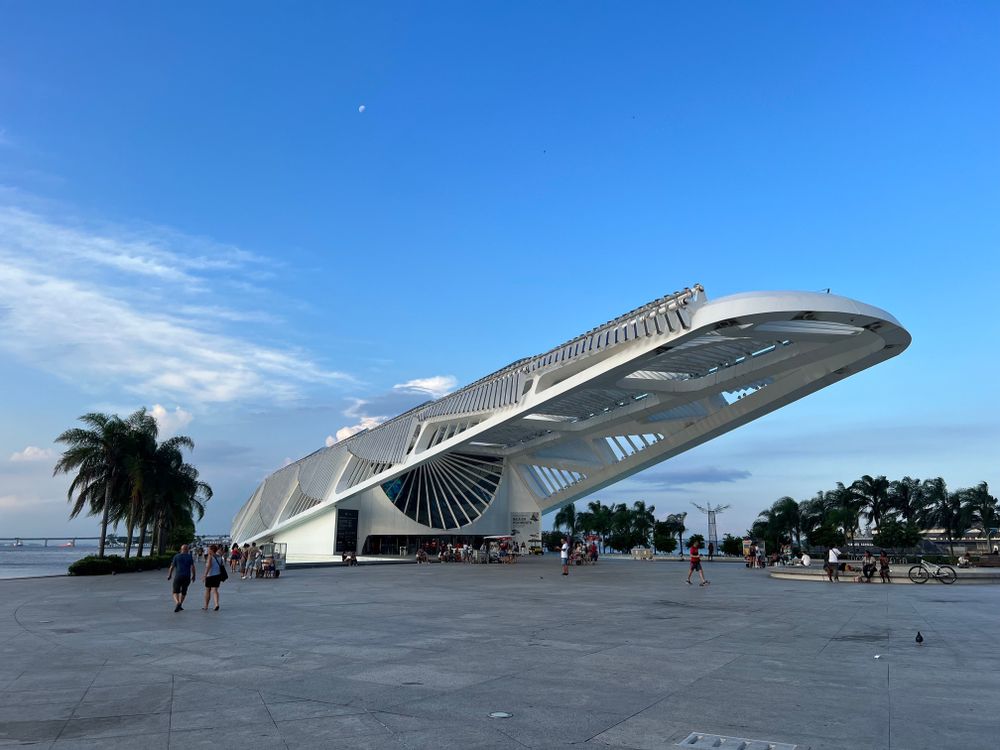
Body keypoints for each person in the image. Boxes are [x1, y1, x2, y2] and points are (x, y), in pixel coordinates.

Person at [167, 544, 196, 612]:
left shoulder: (176, 556)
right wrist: (194, 575)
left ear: (181, 549)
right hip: (187, 576)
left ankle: (178, 603)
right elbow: (192, 567)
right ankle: (180, 605)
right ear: (187, 549)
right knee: (184, 591)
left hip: (178, 576)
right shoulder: (189, 557)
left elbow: (172, 567)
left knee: (175, 591)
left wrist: (169, 575)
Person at [203, 544, 225, 610]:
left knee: (207, 590)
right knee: (215, 590)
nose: (208, 550)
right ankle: (216, 604)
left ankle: (206, 606)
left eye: (209, 549)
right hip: (217, 575)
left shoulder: (210, 556)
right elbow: (221, 565)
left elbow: (208, 566)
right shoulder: (219, 556)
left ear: (211, 550)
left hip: (210, 575)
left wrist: (204, 575)